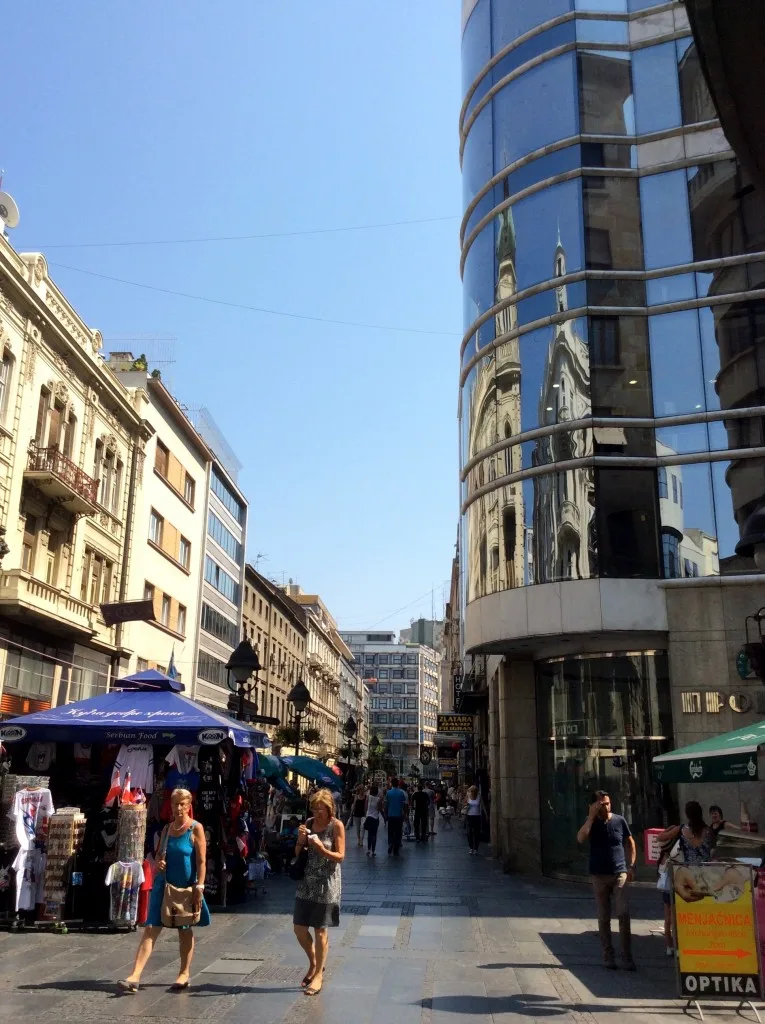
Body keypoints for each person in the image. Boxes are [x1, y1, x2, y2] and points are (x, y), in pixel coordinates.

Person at [119, 788, 209, 993]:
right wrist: (159, 862)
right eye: (175, 804)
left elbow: (202, 861)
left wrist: (200, 885)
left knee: (184, 929)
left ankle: (184, 973)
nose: (178, 808)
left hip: (185, 886)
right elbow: (160, 854)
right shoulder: (167, 829)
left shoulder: (196, 829)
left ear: (189, 805)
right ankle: (135, 975)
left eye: (182, 804)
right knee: (151, 927)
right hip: (164, 884)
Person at [293, 789, 345, 997]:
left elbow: (340, 857)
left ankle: (318, 977)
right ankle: (315, 963)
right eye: (314, 808)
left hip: (326, 883)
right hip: (306, 881)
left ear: (329, 808)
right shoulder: (310, 822)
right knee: (299, 928)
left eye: (320, 809)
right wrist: (300, 840)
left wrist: (320, 847)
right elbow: (298, 853)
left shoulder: (336, 826)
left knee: (320, 930)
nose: (317, 813)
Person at [576, 790, 636, 971]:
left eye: (608, 803)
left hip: (619, 872)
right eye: (602, 804)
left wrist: (631, 865)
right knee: (604, 917)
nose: (606, 806)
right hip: (599, 875)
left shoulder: (619, 820)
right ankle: (608, 955)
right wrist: (591, 817)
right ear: (594, 805)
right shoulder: (591, 823)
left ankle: (626, 955)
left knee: (623, 912)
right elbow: (580, 838)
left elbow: (630, 842)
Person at [384, 778, 408, 856]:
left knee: (390, 831)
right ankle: (396, 849)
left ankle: (390, 843)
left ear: (391, 783)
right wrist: (405, 814)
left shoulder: (388, 793)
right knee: (398, 833)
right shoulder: (401, 793)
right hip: (399, 816)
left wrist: (385, 814)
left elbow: (386, 805)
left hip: (390, 815)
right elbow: (404, 805)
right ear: (398, 784)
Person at [464, 785, 484, 855]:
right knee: (469, 833)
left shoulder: (479, 797)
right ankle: (471, 847)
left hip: (477, 816)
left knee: (476, 833)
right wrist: (466, 805)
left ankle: (476, 848)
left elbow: (483, 806)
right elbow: (464, 803)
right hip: (469, 816)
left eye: (474, 791)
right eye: (471, 791)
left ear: (476, 791)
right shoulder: (468, 796)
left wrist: (486, 815)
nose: (472, 792)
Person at [364, 784, 383, 857]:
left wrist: (366, 814)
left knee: (369, 834)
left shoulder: (368, 797)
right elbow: (379, 809)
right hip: (375, 818)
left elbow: (365, 807)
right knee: (374, 834)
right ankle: (373, 851)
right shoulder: (379, 799)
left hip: (368, 817)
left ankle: (368, 849)